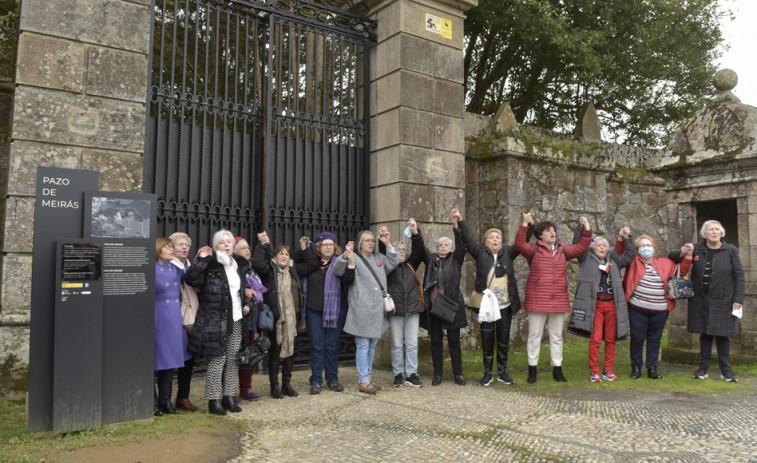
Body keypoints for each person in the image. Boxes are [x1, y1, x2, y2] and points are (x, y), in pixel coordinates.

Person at [514, 213, 593, 384]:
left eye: (553, 230)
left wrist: (586, 229)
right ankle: (532, 370)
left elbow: (580, 247)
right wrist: (525, 224)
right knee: (534, 335)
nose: (552, 233)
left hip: (558, 300)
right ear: (540, 235)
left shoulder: (563, 250)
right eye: (548, 231)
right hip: (537, 300)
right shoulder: (533, 250)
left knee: (556, 336)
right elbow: (519, 244)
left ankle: (557, 369)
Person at [183, 230, 252, 415]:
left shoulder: (237, 263)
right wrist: (203, 259)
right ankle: (213, 400)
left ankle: (228, 397)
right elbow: (191, 279)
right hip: (216, 320)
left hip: (236, 318)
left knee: (233, 360)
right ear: (215, 246)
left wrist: (246, 304)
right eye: (222, 242)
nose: (227, 244)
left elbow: (240, 290)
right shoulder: (211, 263)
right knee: (218, 360)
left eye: (229, 241)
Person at [670, 220, 744, 382]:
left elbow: (739, 276)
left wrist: (738, 299)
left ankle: (726, 370)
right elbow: (673, 257)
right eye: (711, 229)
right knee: (705, 335)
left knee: (723, 336)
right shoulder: (697, 249)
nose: (714, 232)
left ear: (722, 233)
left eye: (717, 229)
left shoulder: (730, 250)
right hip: (701, 300)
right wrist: (682, 252)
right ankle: (703, 369)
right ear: (705, 233)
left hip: (724, 300)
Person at [456, 209, 522, 386]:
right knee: (487, 339)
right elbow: (468, 239)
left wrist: (526, 225)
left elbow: (521, 243)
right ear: (486, 242)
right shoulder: (480, 254)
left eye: (498, 238)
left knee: (503, 339)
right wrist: (461, 221)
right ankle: (487, 373)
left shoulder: (508, 253)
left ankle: (502, 372)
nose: (496, 240)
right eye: (492, 237)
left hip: (505, 306)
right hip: (487, 306)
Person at [333, 227, 398, 394]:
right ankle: (363, 381)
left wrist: (388, 243)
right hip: (361, 308)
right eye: (367, 241)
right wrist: (346, 253)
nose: (371, 243)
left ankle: (368, 378)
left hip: (377, 310)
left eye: (372, 241)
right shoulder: (354, 256)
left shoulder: (379, 258)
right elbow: (337, 269)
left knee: (372, 345)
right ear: (360, 243)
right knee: (362, 345)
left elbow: (394, 262)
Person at [252, 231, 316, 398]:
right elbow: (257, 263)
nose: (284, 256)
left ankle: (286, 384)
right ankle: (274, 387)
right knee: (275, 353)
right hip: (277, 318)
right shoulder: (270, 270)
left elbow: (311, 264)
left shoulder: (293, 269)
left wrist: (304, 249)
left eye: (287, 254)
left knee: (290, 352)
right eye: (280, 253)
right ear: (275, 256)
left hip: (292, 318)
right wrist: (263, 245)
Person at [567, 227, 635, 382]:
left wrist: (627, 238)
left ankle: (608, 370)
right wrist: (583, 230)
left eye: (604, 245)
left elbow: (630, 255)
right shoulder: (586, 258)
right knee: (596, 339)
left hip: (612, 305)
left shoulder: (615, 260)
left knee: (611, 339)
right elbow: (577, 246)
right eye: (598, 245)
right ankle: (594, 371)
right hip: (595, 306)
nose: (602, 248)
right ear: (593, 248)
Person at [620, 235, 693, 379]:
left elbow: (682, 271)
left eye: (648, 245)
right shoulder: (632, 261)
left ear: (654, 248)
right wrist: (622, 237)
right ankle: (636, 367)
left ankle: (652, 368)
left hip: (660, 310)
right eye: (641, 246)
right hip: (637, 307)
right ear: (637, 250)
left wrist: (688, 256)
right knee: (637, 337)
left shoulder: (666, 263)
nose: (645, 248)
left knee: (654, 338)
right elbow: (620, 251)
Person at [410, 211, 468, 387]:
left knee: (454, 342)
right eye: (440, 245)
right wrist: (415, 232)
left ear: (450, 248)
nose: (443, 247)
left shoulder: (456, 259)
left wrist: (456, 225)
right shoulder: (431, 260)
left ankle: (458, 374)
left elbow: (461, 244)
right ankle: (438, 375)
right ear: (437, 248)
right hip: (435, 308)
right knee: (436, 342)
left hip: (452, 307)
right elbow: (420, 248)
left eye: (446, 245)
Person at [297, 232, 354, 394]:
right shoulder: (311, 264)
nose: (328, 247)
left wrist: (350, 261)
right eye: (324, 244)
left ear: (335, 247)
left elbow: (349, 279)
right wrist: (305, 248)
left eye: (331, 244)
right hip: (314, 311)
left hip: (335, 311)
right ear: (318, 248)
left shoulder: (339, 264)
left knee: (332, 346)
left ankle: (332, 379)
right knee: (317, 346)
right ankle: (315, 380)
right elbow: (295, 264)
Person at [380, 224, 424, 388]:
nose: (401, 252)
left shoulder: (411, 263)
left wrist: (415, 232)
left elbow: (419, 249)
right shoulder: (389, 266)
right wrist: (385, 240)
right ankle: (398, 374)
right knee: (397, 345)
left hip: (412, 310)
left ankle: (412, 374)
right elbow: (382, 251)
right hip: (396, 311)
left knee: (412, 344)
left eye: (403, 250)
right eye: (398, 249)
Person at [154, 237, 190, 416]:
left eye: (171, 246)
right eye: (167, 247)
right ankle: (152, 401)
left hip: (173, 317)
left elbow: (192, 274)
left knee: (169, 361)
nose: (171, 250)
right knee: (155, 360)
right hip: (158, 316)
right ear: (158, 249)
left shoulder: (177, 268)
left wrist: (202, 257)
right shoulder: (151, 268)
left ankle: (165, 401)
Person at [168, 232, 198, 411]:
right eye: (180, 244)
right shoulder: (168, 266)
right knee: (173, 359)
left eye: (187, 244)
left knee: (189, 359)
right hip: (174, 317)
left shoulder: (190, 266)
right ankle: (165, 398)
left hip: (191, 316)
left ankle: (183, 396)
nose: (185, 247)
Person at [233, 237, 264, 401]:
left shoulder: (251, 269)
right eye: (242, 248)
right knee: (234, 355)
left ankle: (246, 388)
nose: (247, 251)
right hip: (239, 317)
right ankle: (229, 391)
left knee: (249, 354)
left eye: (248, 248)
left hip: (253, 317)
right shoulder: (232, 269)